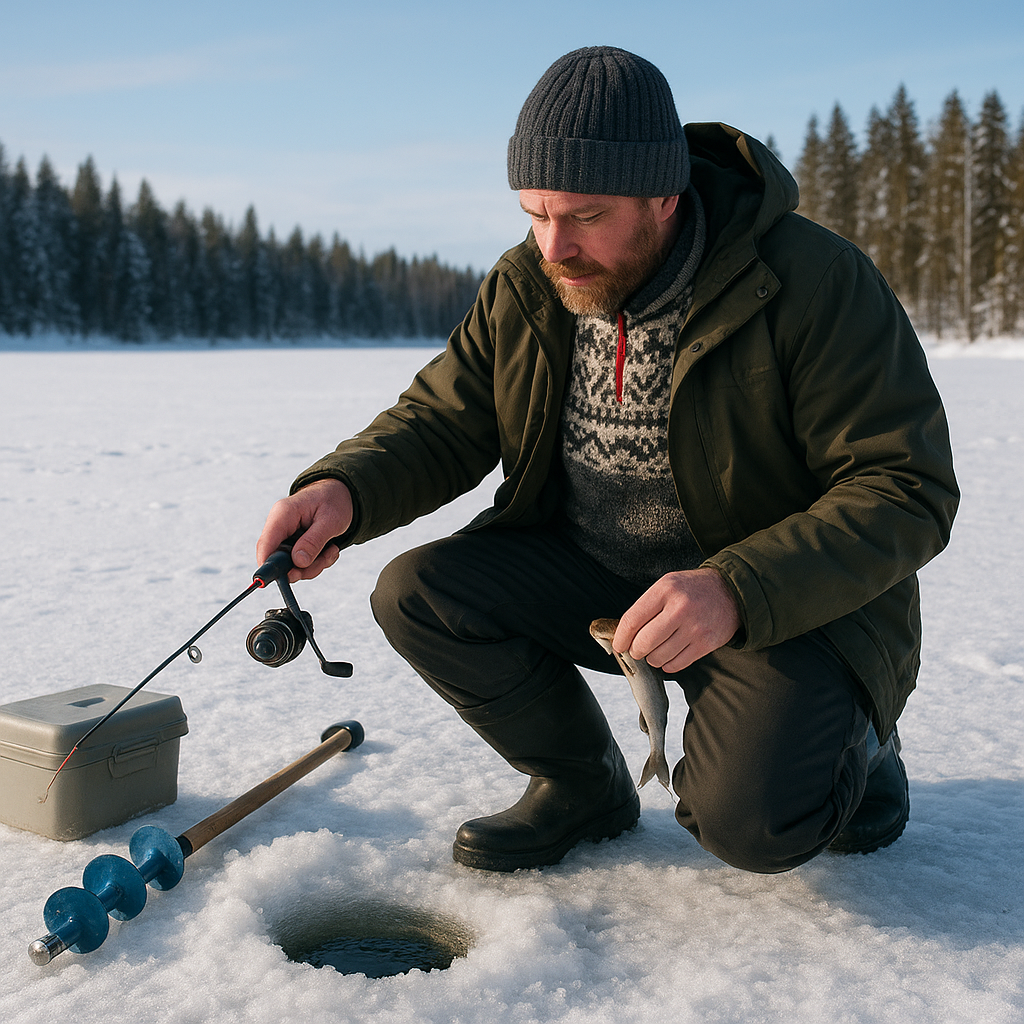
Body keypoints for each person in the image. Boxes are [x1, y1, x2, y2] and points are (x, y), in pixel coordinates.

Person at [256, 47, 959, 874]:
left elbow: (905, 488)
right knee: (419, 592)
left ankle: (864, 746)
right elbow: (444, 418)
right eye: (534, 212)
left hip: (780, 601)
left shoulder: (813, 282)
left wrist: (737, 587)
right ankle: (580, 785)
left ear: (664, 195)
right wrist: (345, 488)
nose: (554, 246)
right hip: (596, 577)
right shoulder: (528, 284)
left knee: (750, 825)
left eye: (585, 216)